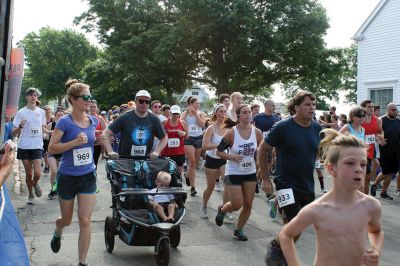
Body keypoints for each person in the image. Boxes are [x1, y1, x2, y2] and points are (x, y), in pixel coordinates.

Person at [279, 129, 384, 266]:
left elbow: (376, 231)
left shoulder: (371, 206)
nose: (359, 169)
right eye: (350, 163)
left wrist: (375, 250)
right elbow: (286, 235)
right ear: (331, 169)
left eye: (363, 164)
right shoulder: (317, 209)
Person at [257, 91, 322, 265]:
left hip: (306, 183)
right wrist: (265, 179)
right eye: (307, 104)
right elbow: (262, 149)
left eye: (314, 104)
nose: (312, 107)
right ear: (296, 107)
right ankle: (282, 255)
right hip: (285, 182)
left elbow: (321, 150)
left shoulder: (317, 127)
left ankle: (279, 248)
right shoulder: (283, 126)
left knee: (297, 227)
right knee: (292, 221)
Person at [48, 79, 103, 266]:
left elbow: (88, 143)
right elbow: (52, 148)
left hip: (88, 175)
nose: (89, 100)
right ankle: (58, 229)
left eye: (90, 97)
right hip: (68, 177)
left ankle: (82, 262)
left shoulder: (93, 120)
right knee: (67, 220)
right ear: (73, 99)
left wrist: (99, 141)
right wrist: (73, 143)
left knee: (85, 220)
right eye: (85, 97)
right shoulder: (64, 122)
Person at [215, 104, 263, 241]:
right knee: (237, 204)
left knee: (248, 203)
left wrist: (259, 161)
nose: (248, 115)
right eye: (245, 112)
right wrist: (232, 157)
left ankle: (239, 229)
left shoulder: (257, 132)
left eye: (249, 112)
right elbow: (219, 152)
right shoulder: (231, 133)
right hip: (234, 171)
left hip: (250, 171)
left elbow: (261, 149)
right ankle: (222, 209)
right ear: (239, 116)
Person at [104, 90, 167, 159]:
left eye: (147, 102)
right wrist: (110, 151)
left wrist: (156, 152)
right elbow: (106, 133)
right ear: (136, 102)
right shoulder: (124, 117)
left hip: (145, 161)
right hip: (125, 161)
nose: (144, 104)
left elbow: (164, 137)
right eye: (141, 101)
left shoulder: (154, 119)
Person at [12, 88, 49, 204]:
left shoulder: (41, 112)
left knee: (37, 173)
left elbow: (43, 128)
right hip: (24, 146)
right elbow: (13, 132)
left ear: (37, 98)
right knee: (28, 173)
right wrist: (20, 127)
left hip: (37, 145)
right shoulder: (21, 112)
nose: (33, 97)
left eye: (35, 95)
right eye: (31, 95)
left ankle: (35, 183)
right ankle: (30, 194)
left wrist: (48, 132)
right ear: (26, 97)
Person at [200, 104, 228, 219]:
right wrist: (219, 145)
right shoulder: (211, 128)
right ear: (216, 113)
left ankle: (225, 210)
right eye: (220, 111)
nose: (223, 114)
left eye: (224, 112)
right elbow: (204, 146)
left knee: (227, 184)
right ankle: (204, 205)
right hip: (211, 159)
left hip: (223, 159)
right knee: (210, 187)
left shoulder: (228, 128)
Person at [371, 103, 400, 200]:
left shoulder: (398, 121)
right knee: (386, 171)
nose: (395, 112)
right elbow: (376, 132)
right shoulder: (381, 120)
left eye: (395, 110)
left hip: (396, 150)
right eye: (393, 110)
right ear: (388, 110)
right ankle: (375, 183)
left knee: (391, 172)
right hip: (384, 149)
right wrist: (380, 140)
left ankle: (384, 192)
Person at [181, 97, 207, 196]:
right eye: (196, 103)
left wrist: (196, 113)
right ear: (190, 104)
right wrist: (187, 112)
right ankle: (193, 187)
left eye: (198, 103)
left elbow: (202, 124)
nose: (198, 105)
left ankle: (188, 174)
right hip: (188, 139)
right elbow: (181, 123)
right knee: (191, 161)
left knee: (195, 164)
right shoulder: (185, 113)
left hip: (199, 138)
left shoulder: (201, 113)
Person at [361, 100, 384, 195]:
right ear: (363, 108)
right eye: (369, 107)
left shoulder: (376, 120)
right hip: (359, 150)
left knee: (367, 176)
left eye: (372, 107)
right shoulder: (359, 119)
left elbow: (380, 131)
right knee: (363, 175)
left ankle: (365, 196)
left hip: (371, 150)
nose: (372, 108)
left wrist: (380, 138)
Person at [161, 105, 188, 175]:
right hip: (166, 152)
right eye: (174, 113)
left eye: (177, 113)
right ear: (170, 113)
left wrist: (184, 133)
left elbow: (187, 137)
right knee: (166, 173)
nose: (176, 115)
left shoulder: (183, 123)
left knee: (179, 173)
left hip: (179, 152)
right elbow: (159, 136)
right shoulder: (164, 122)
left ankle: (180, 181)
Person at [46, 109, 65, 199]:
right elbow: (45, 136)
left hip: (62, 151)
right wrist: (49, 133)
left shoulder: (66, 126)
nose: (60, 117)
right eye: (58, 115)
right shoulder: (51, 125)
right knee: (54, 171)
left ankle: (59, 188)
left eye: (62, 115)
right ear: (55, 116)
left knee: (60, 173)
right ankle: (53, 190)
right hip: (52, 152)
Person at [89, 100, 107, 167]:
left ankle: (94, 176)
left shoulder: (100, 118)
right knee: (88, 163)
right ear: (88, 108)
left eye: (94, 107)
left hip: (97, 144)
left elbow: (105, 130)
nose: (93, 108)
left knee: (95, 162)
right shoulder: (85, 117)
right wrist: (95, 131)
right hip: (88, 143)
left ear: (97, 108)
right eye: (91, 107)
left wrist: (98, 132)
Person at [43, 105, 55, 173]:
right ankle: (46, 166)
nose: (47, 111)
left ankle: (51, 165)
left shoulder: (53, 118)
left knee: (50, 151)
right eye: (46, 109)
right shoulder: (43, 118)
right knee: (45, 152)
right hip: (44, 136)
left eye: (48, 109)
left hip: (51, 136)